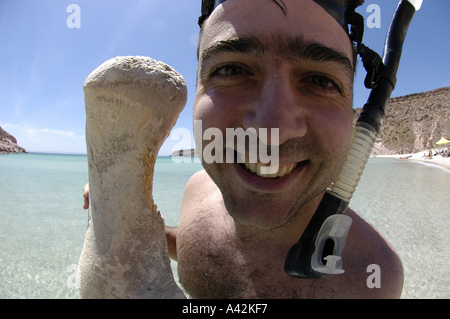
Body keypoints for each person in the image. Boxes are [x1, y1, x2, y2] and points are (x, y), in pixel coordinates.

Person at [83, 0, 403, 298]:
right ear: (195, 94)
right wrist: (120, 210)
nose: (270, 131)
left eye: (320, 81)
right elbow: (192, 247)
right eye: (231, 70)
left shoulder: (371, 277)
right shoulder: (198, 190)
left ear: (354, 115)